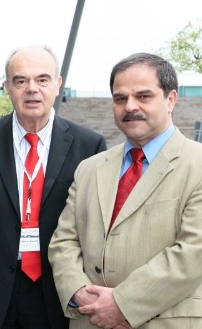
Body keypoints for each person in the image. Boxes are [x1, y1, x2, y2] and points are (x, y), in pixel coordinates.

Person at [0, 46, 107, 329]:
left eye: (42, 79)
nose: (32, 89)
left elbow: (94, 229)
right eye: (20, 81)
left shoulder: (88, 146)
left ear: (57, 84)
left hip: (58, 291)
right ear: (7, 88)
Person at [49, 53, 202, 329]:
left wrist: (122, 304)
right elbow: (63, 242)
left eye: (143, 96)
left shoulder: (197, 164)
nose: (130, 106)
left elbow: (193, 252)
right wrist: (79, 292)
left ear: (171, 99)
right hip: (90, 319)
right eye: (120, 98)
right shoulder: (89, 169)